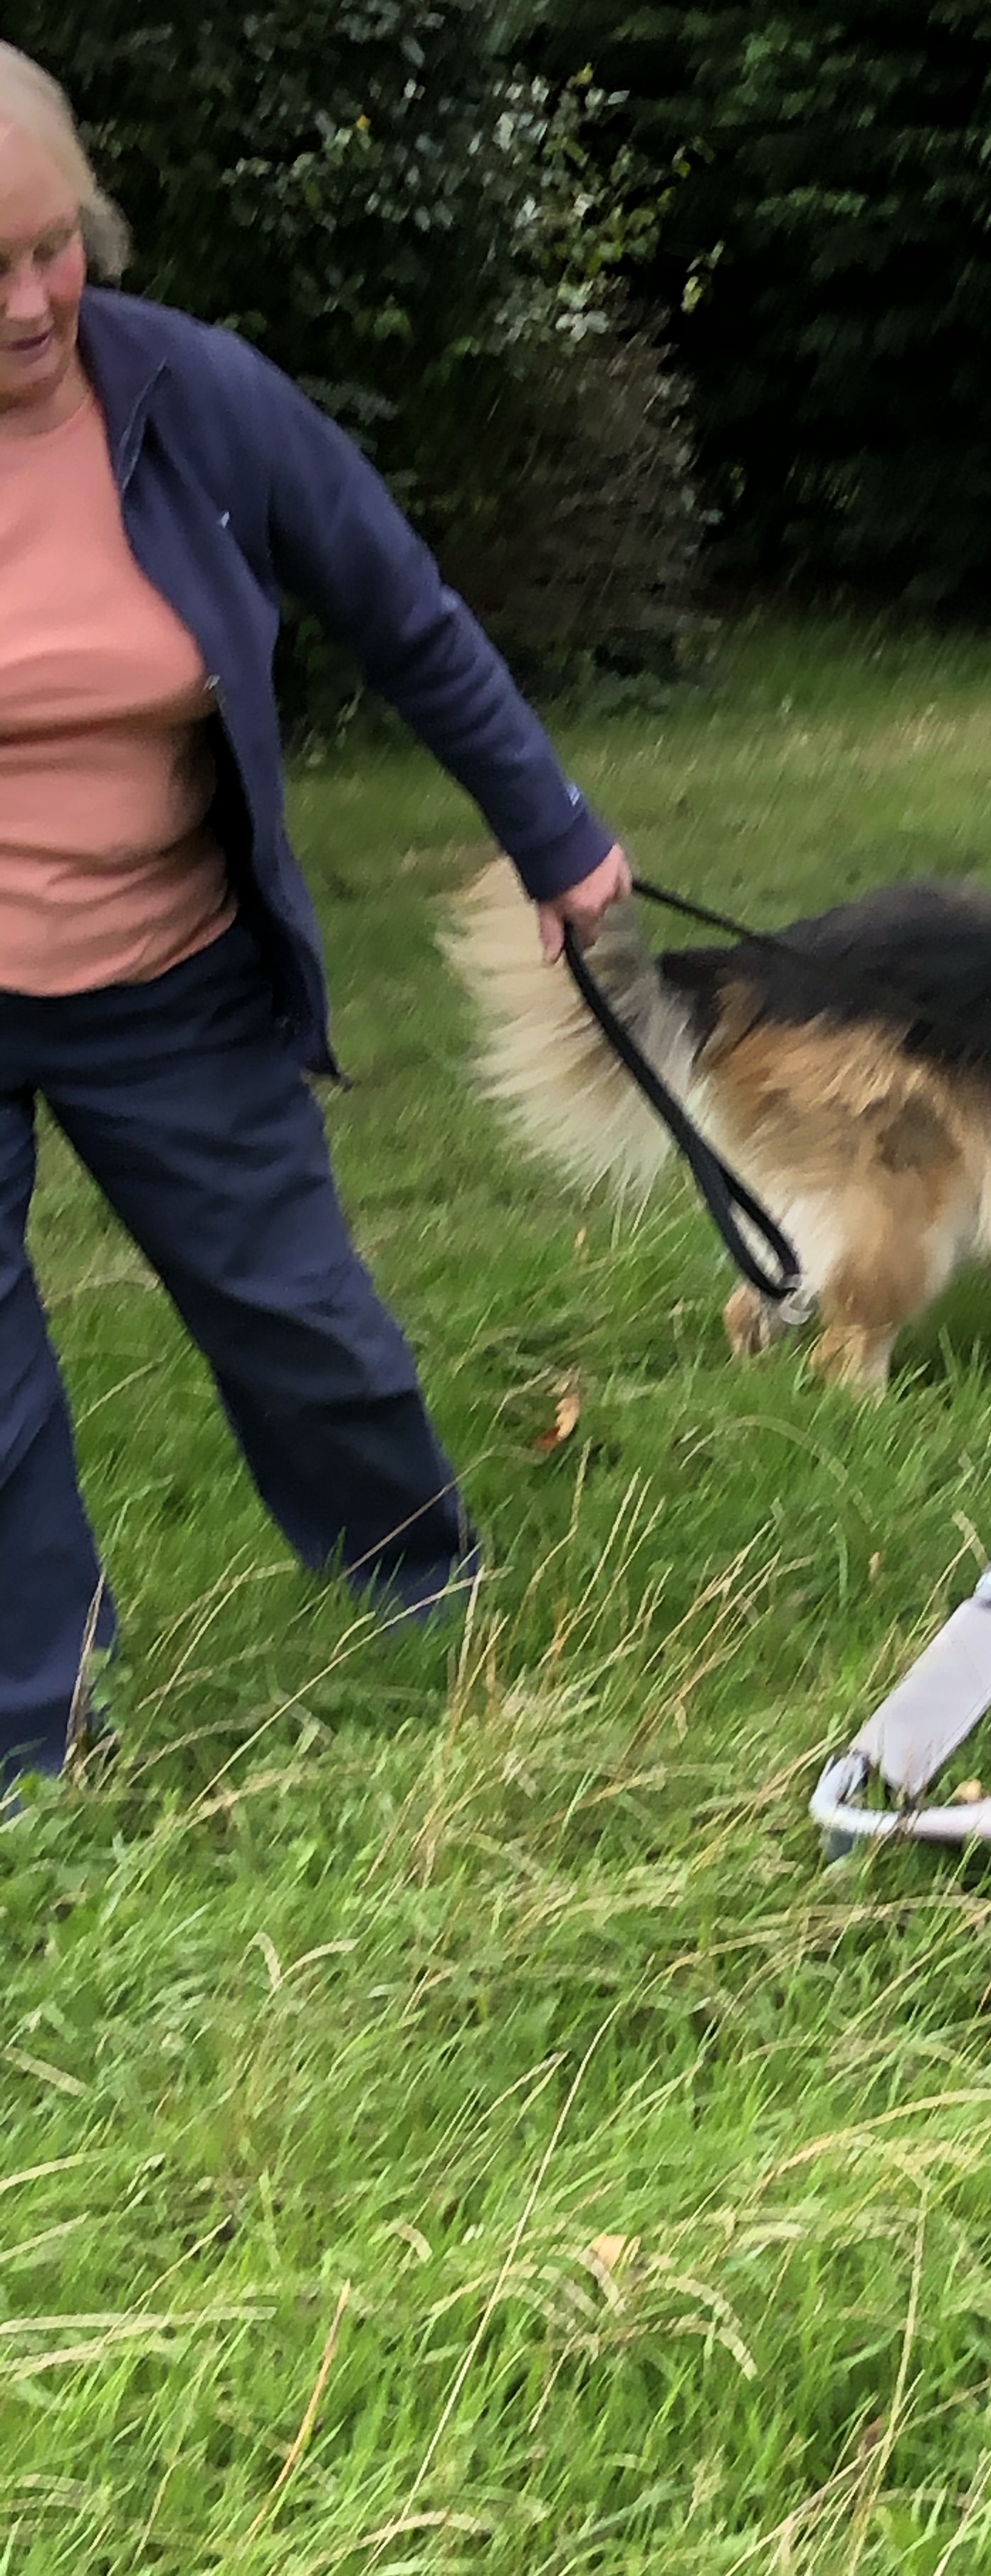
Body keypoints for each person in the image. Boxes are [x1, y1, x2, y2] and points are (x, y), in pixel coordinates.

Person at [0, 45, 634, 1798]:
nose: (31, 303)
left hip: (165, 976)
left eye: (51, 247)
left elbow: (404, 614)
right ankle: (32, 1740)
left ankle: (427, 1600)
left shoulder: (193, 398)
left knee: (299, 1317)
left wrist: (557, 838)